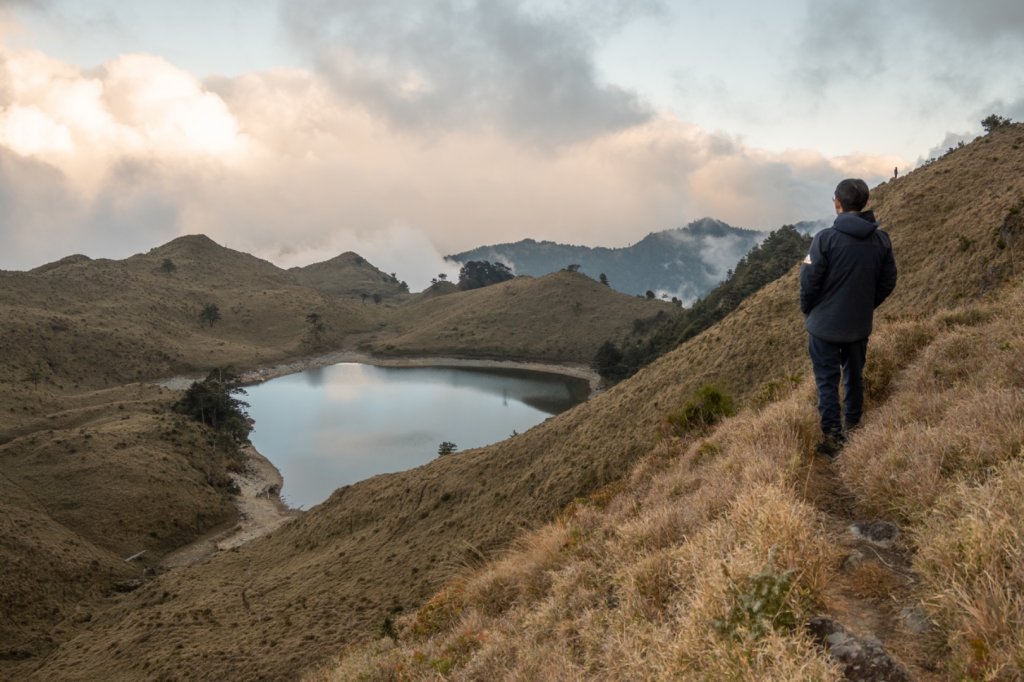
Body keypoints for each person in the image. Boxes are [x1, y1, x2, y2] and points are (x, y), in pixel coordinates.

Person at [800, 179, 897, 457]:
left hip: (823, 327)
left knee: (827, 381)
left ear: (838, 203)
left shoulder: (825, 239)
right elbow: (888, 280)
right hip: (858, 325)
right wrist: (865, 305)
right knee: (855, 375)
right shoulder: (881, 239)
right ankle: (854, 428)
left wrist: (810, 309)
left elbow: (809, 281)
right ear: (864, 203)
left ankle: (832, 438)